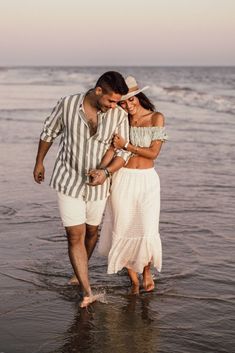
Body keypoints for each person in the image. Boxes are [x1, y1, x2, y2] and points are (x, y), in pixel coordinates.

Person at [33, 71, 130, 307]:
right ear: (98, 91)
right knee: (74, 234)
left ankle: (79, 271)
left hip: (98, 185)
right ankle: (87, 290)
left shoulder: (117, 114)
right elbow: (48, 133)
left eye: (117, 102)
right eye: (110, 100)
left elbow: (123, 152)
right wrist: (39, 161)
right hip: (68, 179)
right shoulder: (67, 104)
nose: (114, 106)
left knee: (91, 231)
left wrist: (105, 172)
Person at [98, 76, 168, 294]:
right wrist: (101, 170)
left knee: (146, 228)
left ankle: (146, 273)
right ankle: (134, 280)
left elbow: (154, 153)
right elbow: (111, 149)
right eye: (123, 103)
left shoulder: (156, 117)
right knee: (123, 226)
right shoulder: (120, 119)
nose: (128, 106)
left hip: (147, 180)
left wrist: (127, 144)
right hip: (123, 179)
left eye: (131, 100)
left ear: (139, 97)